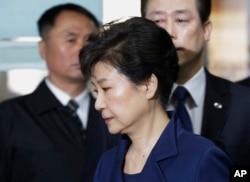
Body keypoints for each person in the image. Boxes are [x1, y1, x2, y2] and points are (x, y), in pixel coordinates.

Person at [79, 17, 231, 182]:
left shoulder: (201, 158)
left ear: (148, 85)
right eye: (96, 91)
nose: (98, 104)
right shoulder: (107, 163)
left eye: (106, 89)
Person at [0, 3, 119, 182]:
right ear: (43, 48)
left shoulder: (115, 114)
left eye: (89, 41)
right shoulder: (8, 117)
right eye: (71, 40)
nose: (82, 50)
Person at [141, 0, 250, 166]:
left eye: (181, 20)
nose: (169, 32)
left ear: (206, 30)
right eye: (157, 22)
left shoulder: (243, 104)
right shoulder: (124, 107)